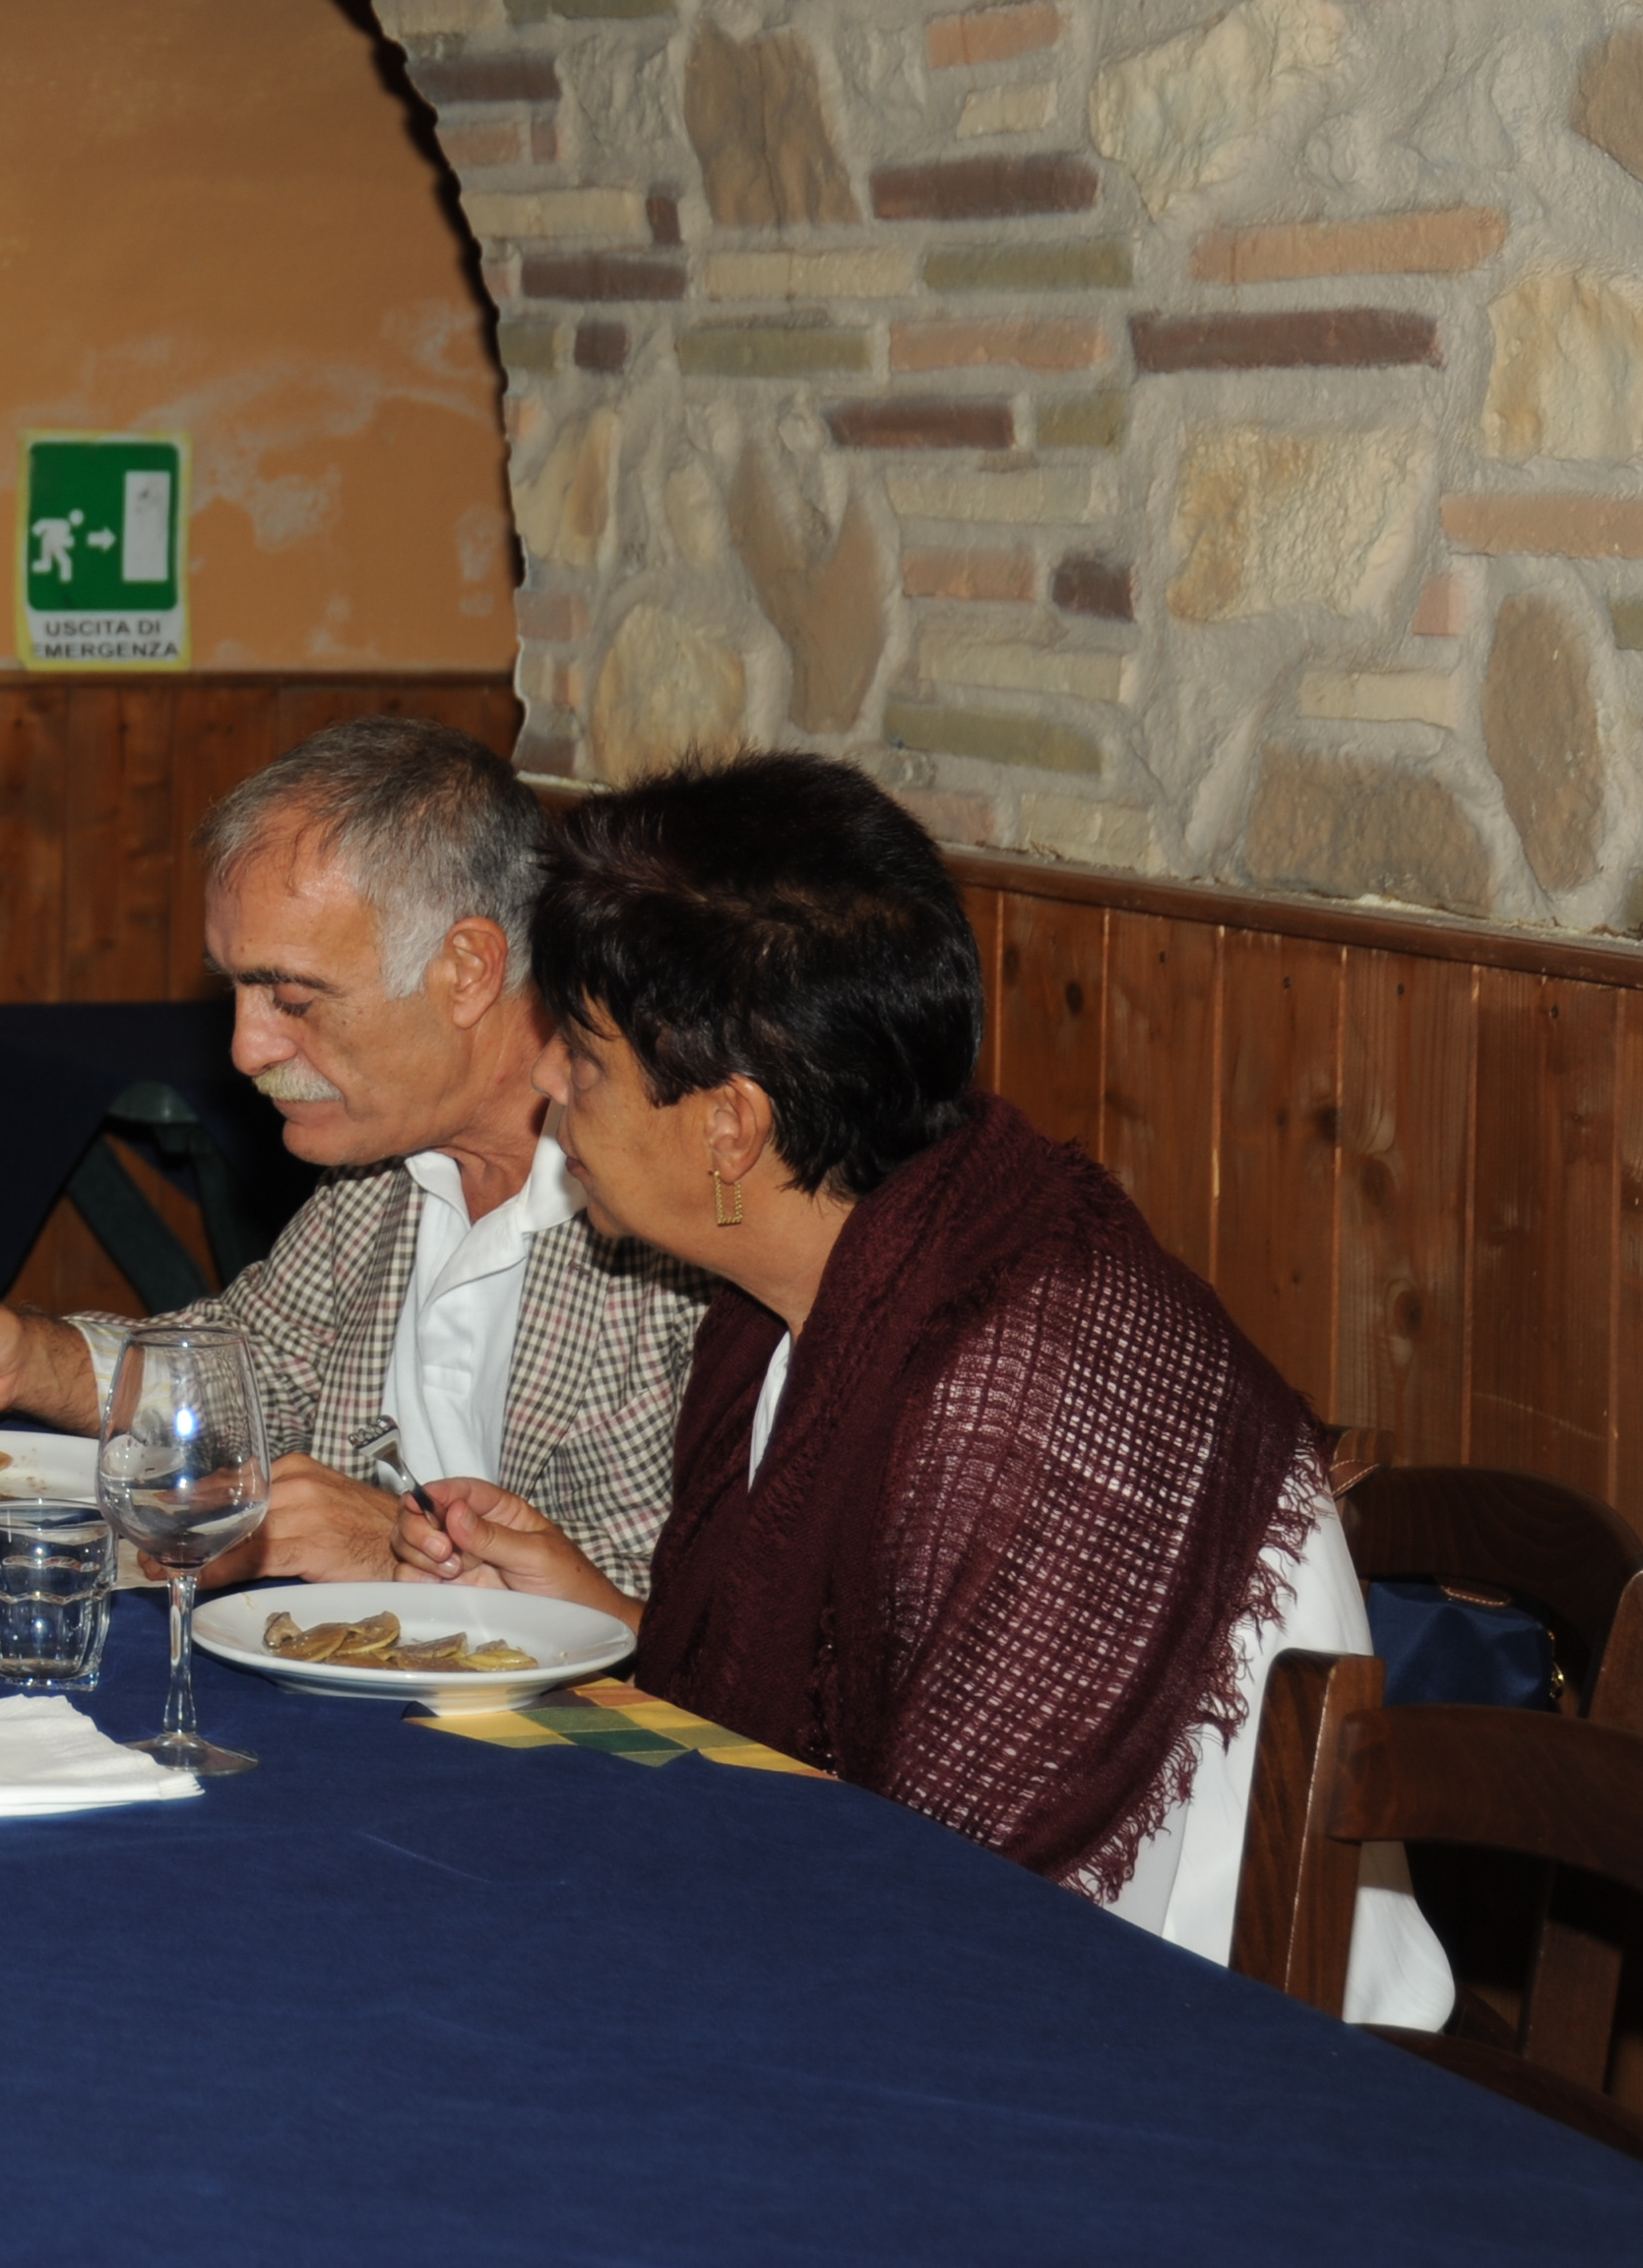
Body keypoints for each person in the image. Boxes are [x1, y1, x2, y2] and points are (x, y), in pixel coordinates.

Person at [431, 752, 1447, 2019]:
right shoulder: (808, 1292)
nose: (541, 1083)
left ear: (730, 1127)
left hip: (1178, 2044)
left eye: (580, 1058)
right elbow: (799, 1744)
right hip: (943, 1958)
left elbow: (942, 1906)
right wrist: (593, 1624)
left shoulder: (1017, 1388)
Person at [0, 721, 708, 1595]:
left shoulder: (674, 1225)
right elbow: (253, 1377)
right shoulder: (383, 1170)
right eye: (235, 986)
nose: (246, 1049)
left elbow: (694, 1636)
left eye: (292, 998)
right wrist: (29, 1361)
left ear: (468, 969)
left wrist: (393, 1555)